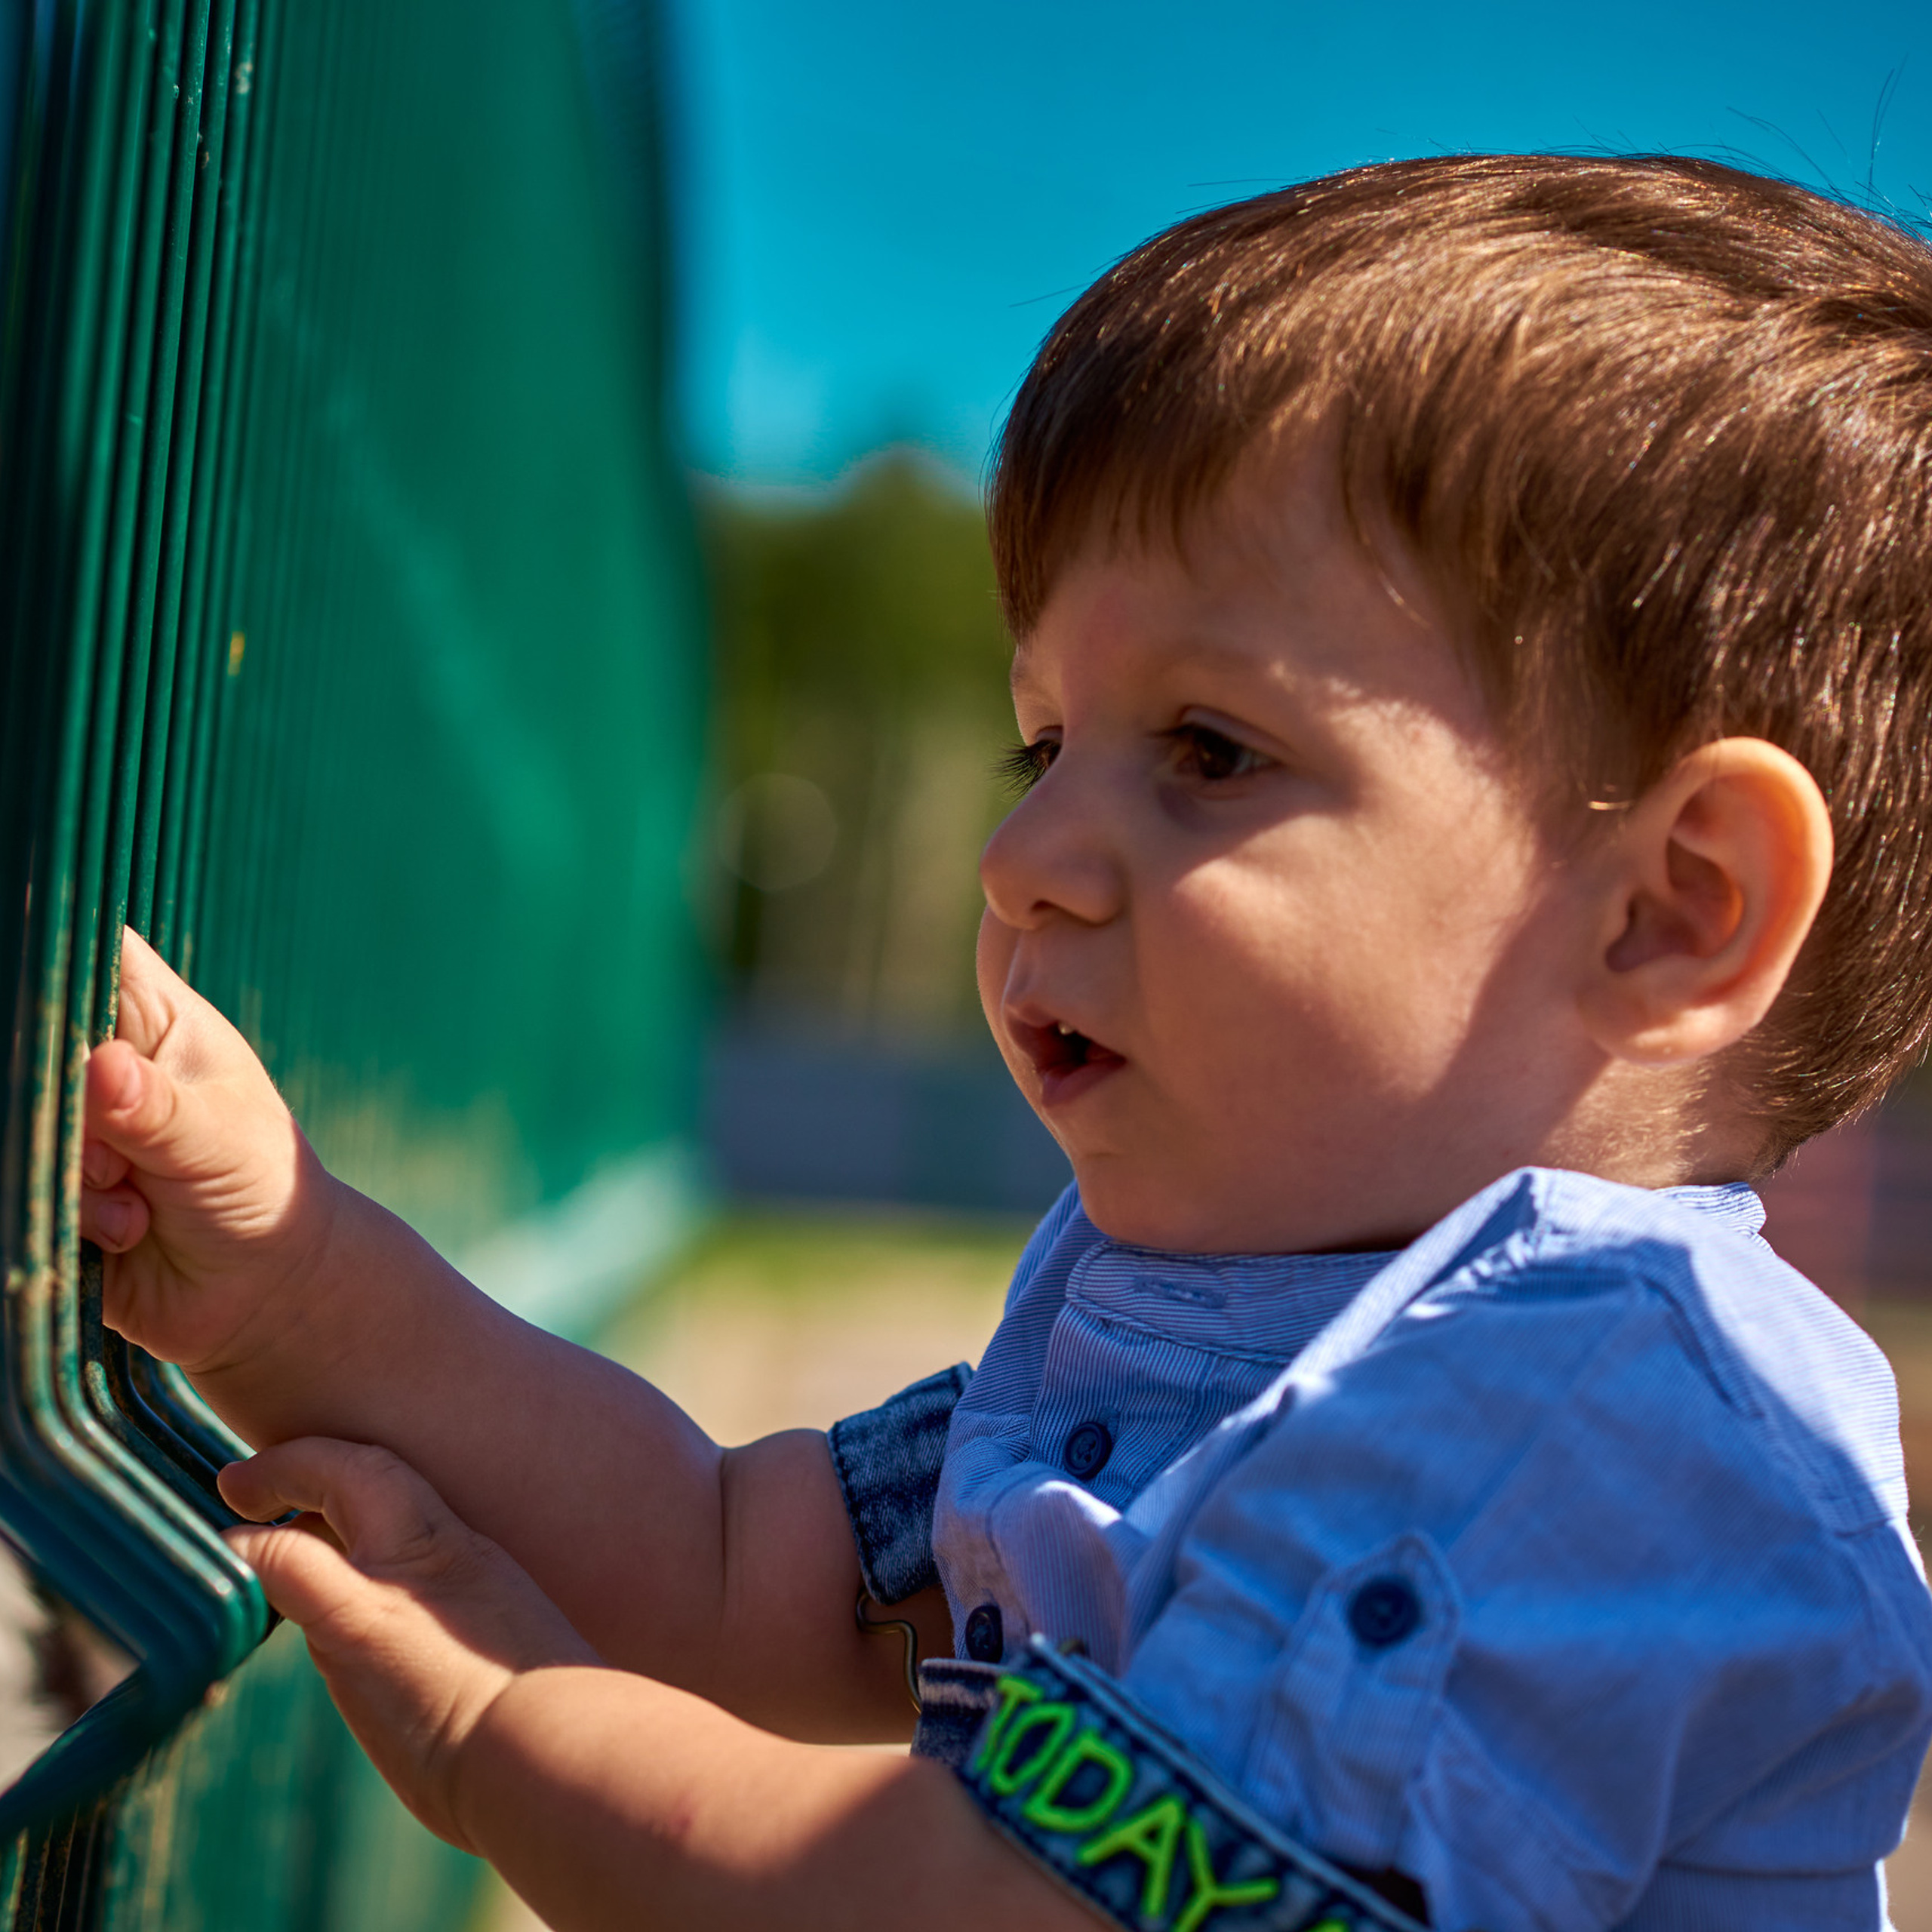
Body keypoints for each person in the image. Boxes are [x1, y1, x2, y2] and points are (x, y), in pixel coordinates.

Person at [78, 155, 1932, 1930]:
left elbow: (977, 1911)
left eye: (1205, 747)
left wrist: (500, 1722)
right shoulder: (1227, 1316)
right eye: (1040, 749)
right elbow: (731, 1563)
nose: (1018, 856)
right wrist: (285, 1279)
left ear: (1670, 905)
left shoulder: (1591, 1414)